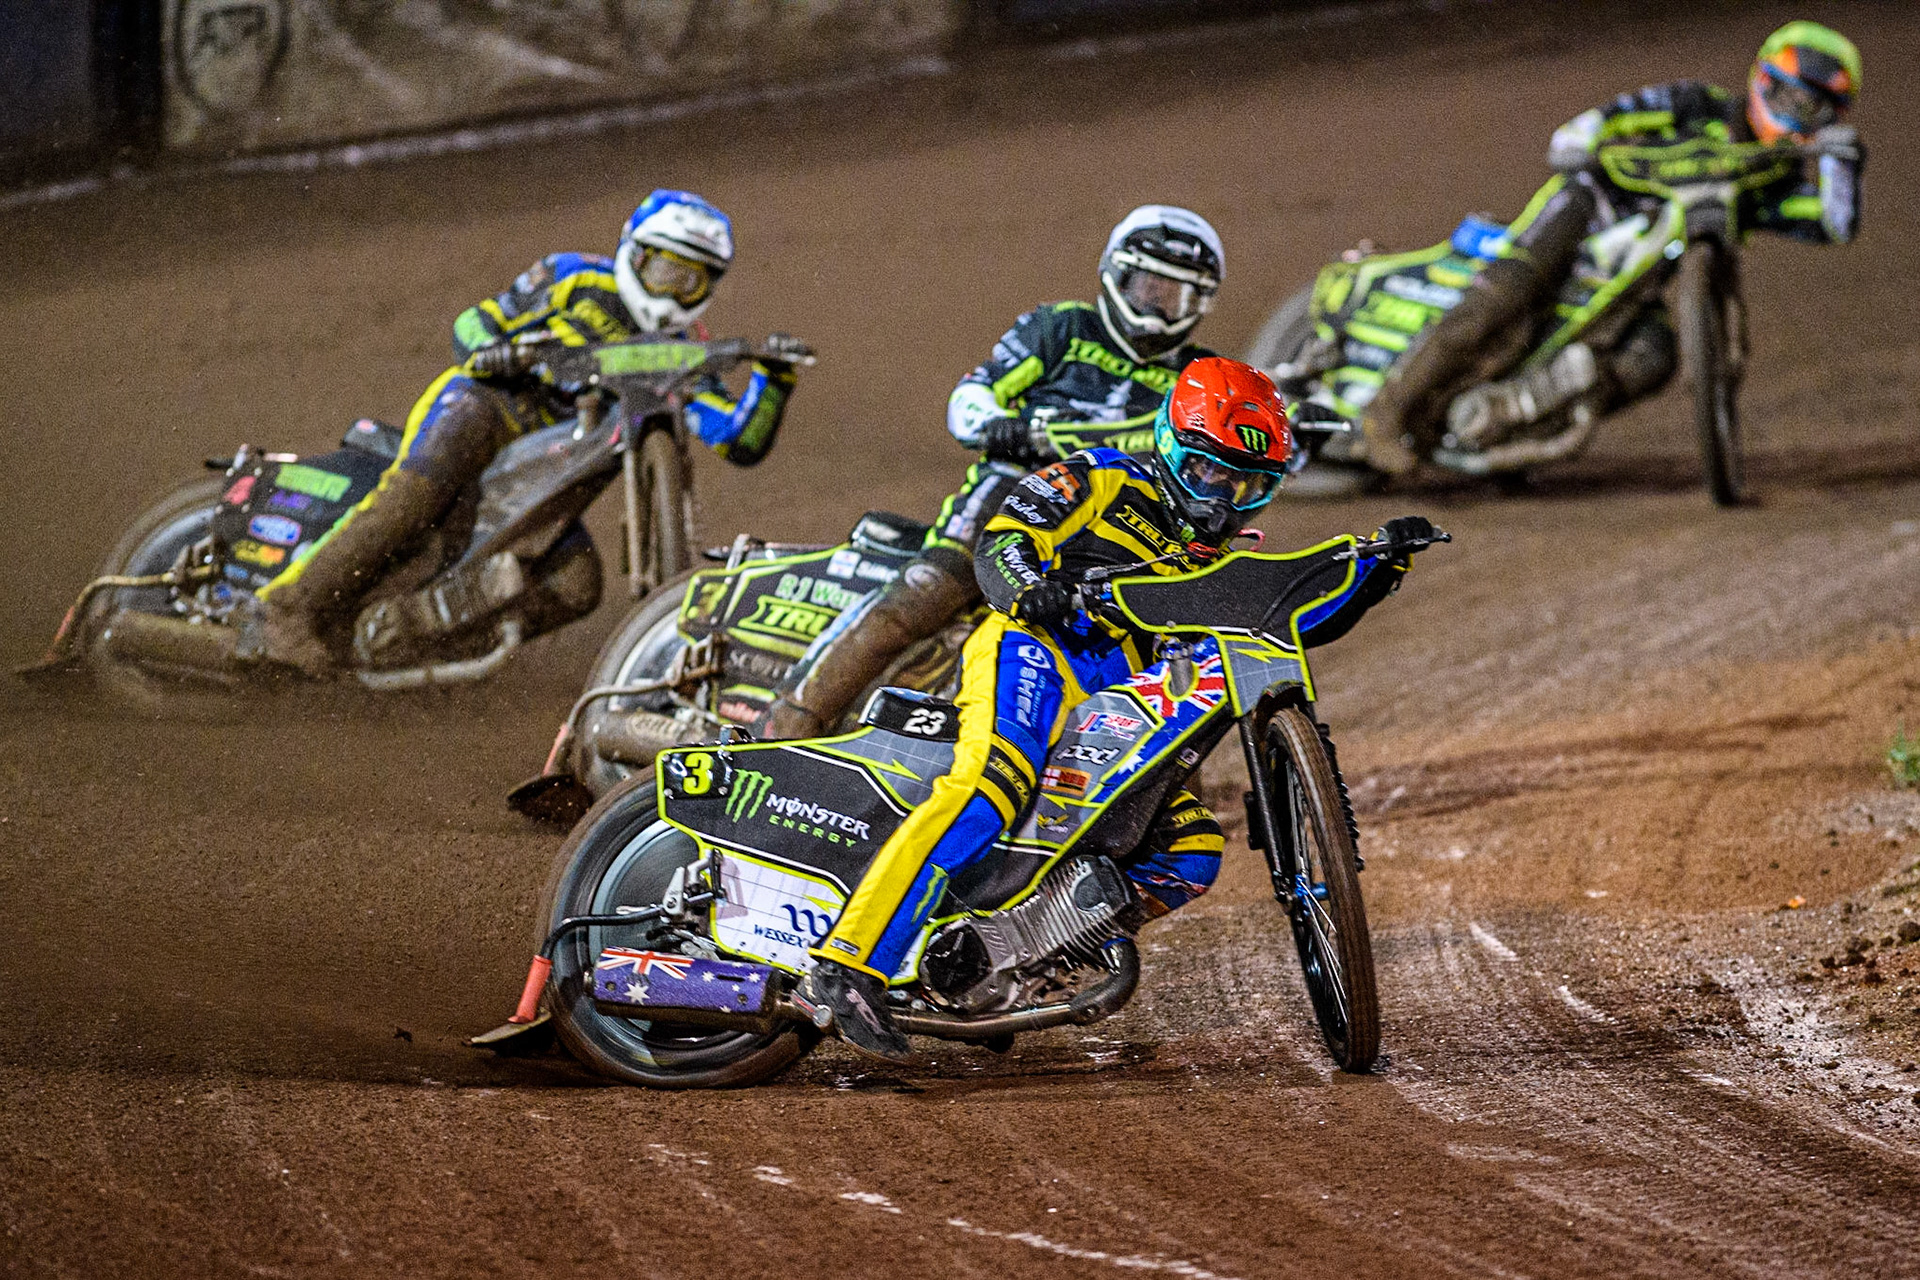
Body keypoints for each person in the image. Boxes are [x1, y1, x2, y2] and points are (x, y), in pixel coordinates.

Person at [806, 357, 1436, 1062]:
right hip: (1035, 652)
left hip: (1121, 708)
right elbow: (1003, 541)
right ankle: (845, 964)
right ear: (1171, 445)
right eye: (1210, 475)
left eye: (1249, 487)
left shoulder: (1220, 559)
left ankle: (1016, 953)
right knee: (988, 790)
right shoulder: (1103, 475)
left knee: (1190, 851)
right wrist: (1034, 591)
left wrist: (1382, 573)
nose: (1223, 502)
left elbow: (1297, 623)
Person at [258, 189, 801, 672]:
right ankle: (285, 609)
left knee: (577, 584)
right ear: (634, 255)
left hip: (550, 473)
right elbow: (473, 323)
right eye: (665, 271)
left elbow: (737, 439)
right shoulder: (574, 278)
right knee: (417, 495)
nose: (674, 291)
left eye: (693, 280)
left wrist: (774, 380)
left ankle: (417, 641)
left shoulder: (683, 356)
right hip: (488, 407)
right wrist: (495, 351)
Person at [755, 204, 1224, 740]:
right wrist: (1000, 426)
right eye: (1149, 287)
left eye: (1176, 295)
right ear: (1117, 274)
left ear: (1201, 304)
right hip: (1016, 492)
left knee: (1161, 645)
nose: (1159, 306)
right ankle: (784, 724)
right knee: (922, 597)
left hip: (1120, 520)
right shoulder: (1061, 328)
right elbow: (970, 398)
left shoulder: (1198, 375)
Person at [1360, 20, 1864, 475]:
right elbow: (1623, 113)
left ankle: (1517, 425)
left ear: (1831, 118)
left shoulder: (1771, 180)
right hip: (1589, 207)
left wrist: (1842, 167)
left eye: (1811, 109)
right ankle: (1386, 413)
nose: (1792, 116)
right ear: (1760, 82)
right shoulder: (1699, 105)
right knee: (1508, 291)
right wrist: (1585, 132)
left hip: (1637, 285)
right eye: (1785, 97)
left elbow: (1830, 225)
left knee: (1654, 354)